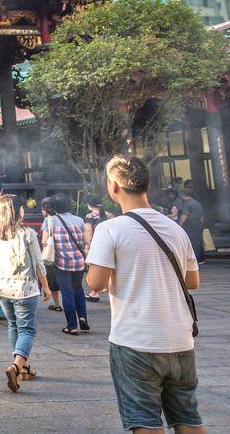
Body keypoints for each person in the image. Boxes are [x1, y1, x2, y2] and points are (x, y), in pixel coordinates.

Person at [87, 155, 204, 434]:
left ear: (113, 186)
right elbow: (192, 281)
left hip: (136, 341)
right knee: (187, 418)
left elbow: (96, 283)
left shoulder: (109, 229)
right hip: (180, 340)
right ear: (145, 185)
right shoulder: (176, 229)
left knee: (146, 423)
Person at [0, 194, 51, 392]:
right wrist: (46, 286)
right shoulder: (27, 234)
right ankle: (15, 367)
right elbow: (39, 263)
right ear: (19, 210)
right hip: (24, 288)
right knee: (27, 330)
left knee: (13, 325)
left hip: (1, 287)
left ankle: (23, 368)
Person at [44, 194, 89, 335]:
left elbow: (45, 242)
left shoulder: (50, 221)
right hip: (78, 262)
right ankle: (82, 317)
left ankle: (72, 326)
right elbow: (87, 240)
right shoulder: (79, 220)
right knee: (78, 289)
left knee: (67, 293)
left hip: (61, 262)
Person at [83, 197, 113, 301]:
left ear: (90, 205)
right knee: (110, 269)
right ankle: (112, 291)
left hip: (96, 245)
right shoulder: (110, 215)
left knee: (94, 268)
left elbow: (89, 232)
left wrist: (87, 246)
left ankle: (94, 292)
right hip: (110, 245)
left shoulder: (89, 216)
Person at [39, 197, 63, 313]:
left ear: (46, 209)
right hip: (66, 254)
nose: (41, 212)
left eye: (42, 209)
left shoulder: (48, 221)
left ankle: (57, 304)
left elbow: (44, 241)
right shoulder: (64, 217)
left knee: (52, 281)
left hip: (52, 256)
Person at [176, 189, 206, 266]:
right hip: (198, 223)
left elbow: (184, 215)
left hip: (190, 224)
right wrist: (201, 224)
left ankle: (194, 259)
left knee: (190, 241)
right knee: (199, 241)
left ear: (183, 195)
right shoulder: (197, 203)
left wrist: (180, 225)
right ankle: (201, 259)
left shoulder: (187, 203)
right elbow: (202, 216)